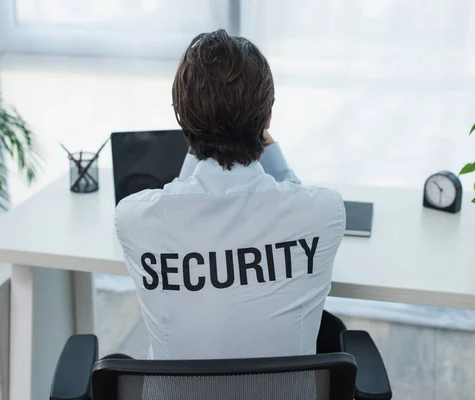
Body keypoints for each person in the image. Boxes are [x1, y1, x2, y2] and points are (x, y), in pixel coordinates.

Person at [115, 29, 345, 360]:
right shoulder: (325, 213)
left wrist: (202, 132)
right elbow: (291, 197)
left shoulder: (135, 219)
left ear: (182, 121)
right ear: (267, 118)